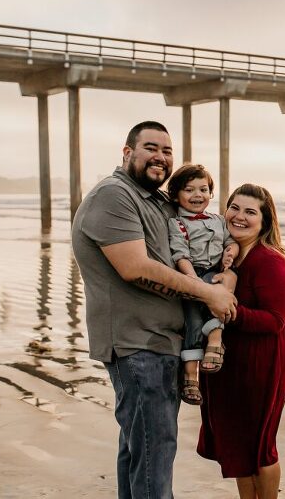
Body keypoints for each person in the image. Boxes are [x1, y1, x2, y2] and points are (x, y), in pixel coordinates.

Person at [71, 121, 237, 499]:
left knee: (139, 450)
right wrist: (208, 295)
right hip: (137, 342)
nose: (160, 157)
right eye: (150, 148)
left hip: (161, 341)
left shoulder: (154, 199)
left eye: (167, 150)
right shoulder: (114, 195)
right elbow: (135, 268)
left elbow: (197, 238)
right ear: (127, 152)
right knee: (154, 454)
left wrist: (228, 270)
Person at [197, 183, 285, 499]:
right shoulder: (226, 255)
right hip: (231, 358)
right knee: (237, 442)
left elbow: (275, 319)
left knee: (260, 444)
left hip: (264, 360)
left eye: (250, 212)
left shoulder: (270, 260)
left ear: (265, 221)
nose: (239, 217)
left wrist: (230, 311)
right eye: (235, 208)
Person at [166, 164, 239, 405]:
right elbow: (180, 255)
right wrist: (194, 283)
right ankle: (190, 376)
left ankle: (216, 342)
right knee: (193, 323)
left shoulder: (218, 220)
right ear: (176, 195)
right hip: (192, 275)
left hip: (214, 272)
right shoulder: (176, 224)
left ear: (211, 193)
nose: (198, 195)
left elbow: (231, 242)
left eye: (203, 189)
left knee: (216, 300)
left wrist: (230, 252)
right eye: (189, 190)